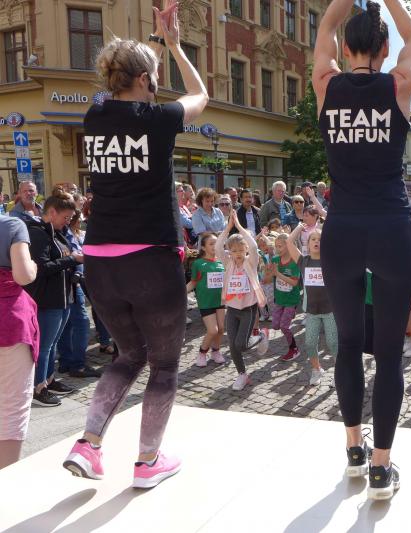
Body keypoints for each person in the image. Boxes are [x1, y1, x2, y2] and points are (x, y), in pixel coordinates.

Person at [62, 1, 209, 489]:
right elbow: (201, 94)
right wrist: (174, 44)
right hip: (150, 260)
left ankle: (88, 445)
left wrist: (154, 46)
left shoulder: (95, 115)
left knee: (128, 355)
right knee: (164, 364)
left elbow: (128, 86)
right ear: (145, 78)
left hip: (100, 262)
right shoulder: (159, 119)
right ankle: (148, 461)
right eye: (154, 75)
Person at [313, 0, 411, 499]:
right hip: (392, 226)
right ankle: (381, 467)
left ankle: (354, 449)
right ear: (383, 48)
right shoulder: (397, 85)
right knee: (390, 353)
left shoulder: (325, 85)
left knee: (349, 344)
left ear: (344, 46)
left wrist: (336, 14)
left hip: (342, 229)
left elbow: (325, 27)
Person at [25, 191, 80, 407]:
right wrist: (72, 260)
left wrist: (73, 259)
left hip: (62, 297)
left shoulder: (56, 232)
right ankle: (38, 389)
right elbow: (41, 268)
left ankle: (48, 380)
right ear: (52, 212)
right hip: (47, 300)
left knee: (53, 344)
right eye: (66, 217)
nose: (68, 221)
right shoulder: (38, 233)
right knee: (44, 346)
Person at [0, 215, 38, 469]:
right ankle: (6, 478)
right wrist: (33, 266)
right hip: (8, 321)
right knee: (12, 406)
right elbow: (23, 275)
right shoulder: (11, 225)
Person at [215, 214, 268, 389]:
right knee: (232, 345)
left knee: (241, 345)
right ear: (229, 252)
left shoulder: (251, 262)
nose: (237, 253)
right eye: (234, 250)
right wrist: (228, 228)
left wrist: (238, 226)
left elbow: (253, 246)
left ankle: (260, 336)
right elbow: (218, 246)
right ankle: (242, 375)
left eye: (240, 250)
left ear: (245, 250)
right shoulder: (228, 263)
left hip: (248, 309)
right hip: (232, 309)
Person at [286, 224, 337, 385]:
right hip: (312, 312)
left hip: (330, 310)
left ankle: (340, 371)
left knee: (333, 342)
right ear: (307, 244)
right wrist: (299, 227)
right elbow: (289, 242)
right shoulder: (304, 261)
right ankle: (316, 370)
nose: (316, 242)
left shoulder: (331, 261)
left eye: (320, 239)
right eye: (313, 239)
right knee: (309, 343)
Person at [56, 210, 101, 379]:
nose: (70, 220)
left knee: (67, 323)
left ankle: (66, 362)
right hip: (70, 282)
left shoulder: (62, 230)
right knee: (81, 323)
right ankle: (77, 365)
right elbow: (76, 254)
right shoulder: (60, 230)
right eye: (67, 217)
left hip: (69, 280)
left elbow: (75, 252)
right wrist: (78, 268)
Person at [186, 232, 226, 367]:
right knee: (212, 330)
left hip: (220, 301)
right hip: (205, 302)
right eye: (211, 243)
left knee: (221, 329)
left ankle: (216, 352)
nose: (215, 246)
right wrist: (180, 295)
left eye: (217, 243)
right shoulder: (198, 263)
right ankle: (202, 353)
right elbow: (193, 282)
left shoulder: (222, 262)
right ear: (203, 247)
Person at [263, 233, 301, 361]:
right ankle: (287, 316)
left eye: (280, 246)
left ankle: (294, 349)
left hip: (291, 299)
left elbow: (294, 283)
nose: (277, 249)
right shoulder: (275, 260)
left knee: (284, 326)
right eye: (276, 246)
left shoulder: (295, 261)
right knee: (275, 325)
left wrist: (278, 274)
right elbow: (268, 279)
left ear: (289, 246)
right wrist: (268, 272)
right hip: (279, 298)